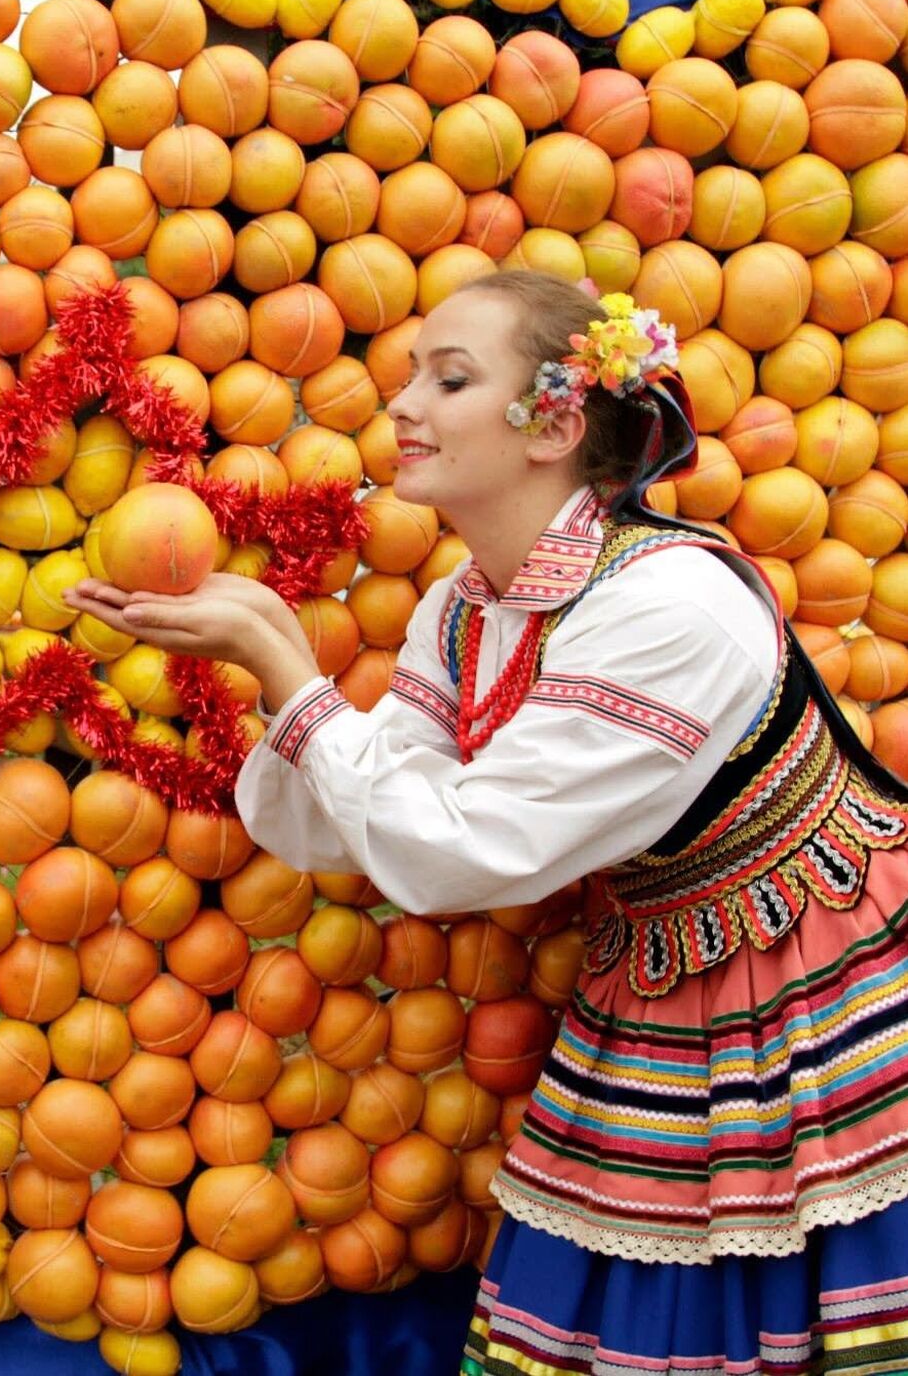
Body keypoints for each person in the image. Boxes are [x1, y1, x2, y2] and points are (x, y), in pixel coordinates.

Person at [65, 269, 908, 1375]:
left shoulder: (668, 604)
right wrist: (274, 664)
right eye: (411, 371)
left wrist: (287, 667)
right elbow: (356, 829)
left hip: (823, 966)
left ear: (554, 420)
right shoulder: (462, 610)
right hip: (664, 967)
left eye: (448, 377)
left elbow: (462, 851)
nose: (402, 403)